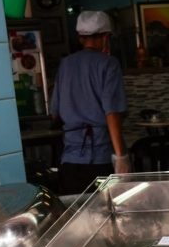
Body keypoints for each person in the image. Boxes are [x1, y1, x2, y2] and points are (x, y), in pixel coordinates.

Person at [51, 11, 130, 193]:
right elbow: (112, 112)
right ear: (105, 37)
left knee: (77, 214)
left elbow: (55, 113)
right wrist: (121, 157)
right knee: (106, 210)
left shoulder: (65, 64)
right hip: (100, 161)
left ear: (80, 38)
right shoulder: (109, 64)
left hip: (69, 162)